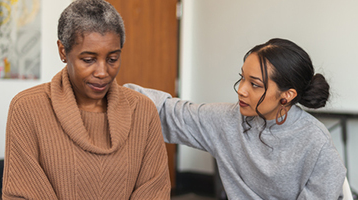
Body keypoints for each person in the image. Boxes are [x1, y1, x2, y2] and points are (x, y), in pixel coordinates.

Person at [125, 38, 347, 199]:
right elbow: (167, 111)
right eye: (242, 78)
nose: (241, 90)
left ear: (287, 95)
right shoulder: (227, 120)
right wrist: (113, 93)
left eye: (255, 84)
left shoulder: (316, 143)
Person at [2, 0, 170, 199]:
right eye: (88, 60)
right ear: (63, 51)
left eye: (113, 59)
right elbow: (23, 191)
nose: (102, 72)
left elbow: (155, 192)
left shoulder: (143, 111)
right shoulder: (27, 108)